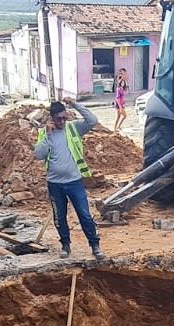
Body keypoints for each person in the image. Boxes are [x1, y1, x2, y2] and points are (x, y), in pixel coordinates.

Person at [33, 98, 103, 260]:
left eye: (64, 117)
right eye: (59, 119)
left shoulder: (73, 128)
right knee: (60, 217)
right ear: (52, 118)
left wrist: (75, 105)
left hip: (74, 182)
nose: (62, 121)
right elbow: (38, 154)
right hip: (55, 184)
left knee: (84, 214)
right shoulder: (45, 133)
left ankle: (95, 245)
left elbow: (92, 120)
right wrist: (48, 137)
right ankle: (65, 245)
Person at [113, 68, 128, 133]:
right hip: (119, 105)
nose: (123, 84)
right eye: (122, 83)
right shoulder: (118, 89)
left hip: (121, 105)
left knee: (119, 116)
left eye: (123, 83)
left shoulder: (121, 89)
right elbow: (117, 98)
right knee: (124, 116)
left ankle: (116, 128)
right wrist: (120, 107)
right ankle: (117, 127)